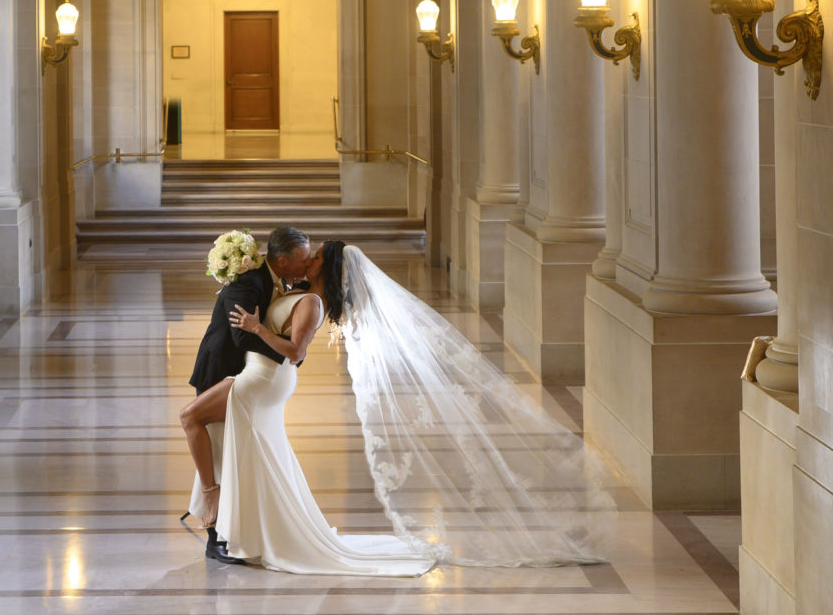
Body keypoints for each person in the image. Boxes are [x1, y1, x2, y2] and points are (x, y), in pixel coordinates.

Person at [214, 241, 614, 574]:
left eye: (314, 256)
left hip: (267, 379)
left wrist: (257, 328)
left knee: (253, 447)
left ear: (327, 268)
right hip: (262, 377)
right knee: (264, 453)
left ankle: (245, 526)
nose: (308, 260)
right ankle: (251, 526)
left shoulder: (311, 303)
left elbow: (295, 350)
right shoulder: (303, 293)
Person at [180, 226, 311, 563]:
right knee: (219, 449)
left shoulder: (278, 280)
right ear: (282, 262)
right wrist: (290, 352)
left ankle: (234, 525)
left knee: (231, 449)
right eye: (302, 260)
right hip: (218, 370)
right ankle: (214, 534)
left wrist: (294, 347)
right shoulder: (250, 283)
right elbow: (241, 339)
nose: (306, 266)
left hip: (237, 373)